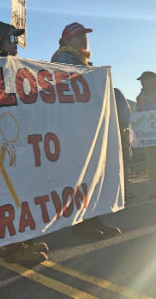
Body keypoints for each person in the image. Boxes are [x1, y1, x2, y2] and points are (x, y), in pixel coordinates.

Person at [0, 21, 50, 264]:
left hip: (16, 143)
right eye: (11, 39)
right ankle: (14, 247)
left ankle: (23, 239)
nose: (16, 43)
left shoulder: (16, 69)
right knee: (5, 196)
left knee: (21, 192)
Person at [50, 23, 122, 239]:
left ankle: (92, 217)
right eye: (78, 35)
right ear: (67, 40)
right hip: (73, 126)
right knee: (80, 177)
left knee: (89, 176)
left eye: (84, 34)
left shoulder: (81, 60)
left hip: (83, 125)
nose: (84, 38)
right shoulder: (64, 59)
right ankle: (82, 224)